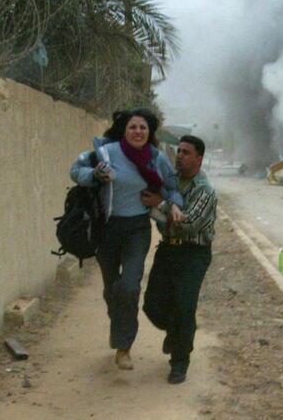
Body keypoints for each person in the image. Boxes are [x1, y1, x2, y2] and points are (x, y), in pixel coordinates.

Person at [70, 108, 183, 370]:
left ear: (149, 132)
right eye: (133, 127)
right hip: (106, 229)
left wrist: (171, 204)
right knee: (113, 290)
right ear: (124, 129)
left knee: (129, 287)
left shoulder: (156, 159)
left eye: (143, 127)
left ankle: (123, 347)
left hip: (137, 229)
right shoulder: (105, 152)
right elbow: (76, 171)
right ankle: (118, 324)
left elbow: (172, 184)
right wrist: (95, 175)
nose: (138, 131)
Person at [142, 135, 217, 384]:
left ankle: (179, 362)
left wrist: (160, 205)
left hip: (193, 254)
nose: (180, 156)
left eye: (186, 152)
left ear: (198, 158)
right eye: (179, 151)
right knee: (152, 305)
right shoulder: (169, 182)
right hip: (168, 250)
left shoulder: (204, 190)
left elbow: (188, 225)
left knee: (184, 307)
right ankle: (175, 333)